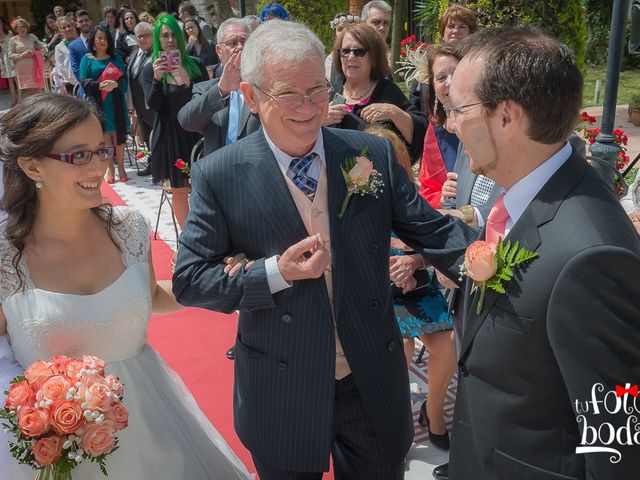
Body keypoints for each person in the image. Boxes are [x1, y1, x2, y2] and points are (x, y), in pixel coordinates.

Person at [172, 19, 476, 479]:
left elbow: (433, 231)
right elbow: (190, 281)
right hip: (282, 385)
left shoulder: (367, 156)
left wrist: (506, 266)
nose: (309, 106)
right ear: (252, 96)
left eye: (318, 89)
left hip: (369, 377)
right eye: (288, 94)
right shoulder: (221, 174)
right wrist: (274, 272)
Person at [0, 93, 252, 480]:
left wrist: (218, 281)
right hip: (54, 445)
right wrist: (36, 404)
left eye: (101, 150)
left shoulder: (128, 227)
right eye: (79, 155)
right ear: (32, 166)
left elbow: (151, 296)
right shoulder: (6, 254)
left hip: (150, 418)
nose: (99, 166)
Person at [445, 26, 640, 479]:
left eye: (458, 109)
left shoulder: (591, 256)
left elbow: (619, 449)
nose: (451, 123)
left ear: (507, 117)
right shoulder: (520, 201)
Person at [141, 15, 208, 227]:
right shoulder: (149, 69)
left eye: (173, 35)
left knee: (204, 189)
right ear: (158, 39)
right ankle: (188, 243)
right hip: (170, 137)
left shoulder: (195, 65)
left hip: (197, 134)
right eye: (164, 36)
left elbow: (208, 102)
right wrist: (158, 80)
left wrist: (188, 83)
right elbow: (154, 105)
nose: (170, 40)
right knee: (179, 191)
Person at [327, 23, 427, 162]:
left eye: (359, 51)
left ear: (373, 58)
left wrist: (394, 113)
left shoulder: (387, 91)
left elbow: (421, 133)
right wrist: (320, 121)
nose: (351, 57)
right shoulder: (328, 93)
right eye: (345, 51)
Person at [178, 18, 257, 157]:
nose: (240, 47)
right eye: (232, 43)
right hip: (219, 173)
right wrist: (221, 90)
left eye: (244, 42)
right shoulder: (205, 89)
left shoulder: (265, 87)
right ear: (219, 51)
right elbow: (186, 121)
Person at [79, 26, 130, 184]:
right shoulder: (86, 59)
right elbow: (84, 81)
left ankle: (121, 166)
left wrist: (115, 84)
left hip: (115, 102)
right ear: (93, 40)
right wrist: (100, 85)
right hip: (98, 102)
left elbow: (124, 81)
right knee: (104, 137)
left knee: (119, 136)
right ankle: (110, 167)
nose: (103, 41)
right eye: (99, 38)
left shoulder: (116, 58)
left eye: (105, 38)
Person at [417, 44, 461, 208]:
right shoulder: (436, 130)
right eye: (441, 78)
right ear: (433, 87)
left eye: (456, 73)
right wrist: (443, 197)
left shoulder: (489, 120)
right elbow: (427, 190)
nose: (450, 82)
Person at [129, 22, 154, 156]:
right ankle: (152, 164)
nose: (142, 39)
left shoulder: (157, 54)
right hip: (139, 105)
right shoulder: (134, 54)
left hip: (152, 103)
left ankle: (161, 166)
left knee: (156, 135)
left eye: (146, 36)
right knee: (146, 135)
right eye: (139, 36)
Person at [325, 12, 359, 92]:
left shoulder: (362, 55)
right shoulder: (330, 60)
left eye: (348, 28)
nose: (344, 32)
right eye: (340, 29)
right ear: (335, 33)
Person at [53, 15, 79, 95]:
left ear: (73, 26)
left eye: (69, 26)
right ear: (60, 31)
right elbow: (60, 66)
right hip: (70, 82)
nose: (67, 29)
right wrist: (73, 80)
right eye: (64, 28)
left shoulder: (82, 42)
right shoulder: (59, 47)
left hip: (85, 80)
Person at [68, 9, 93, 83]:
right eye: (81, 21)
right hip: (87, 87)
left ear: (91, 21)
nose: (84, 23)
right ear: (76, 24)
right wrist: (90, 84)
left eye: (86, 20)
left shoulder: (100, 40)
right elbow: (76, 69)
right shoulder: (73, 46)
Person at [0, 16, 17, 106]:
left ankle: (20, 97)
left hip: (12, 57)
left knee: (16, 78)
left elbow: (15, 45)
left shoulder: (9, 33)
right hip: (4, 59)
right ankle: (14, 98)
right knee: (10, 79)